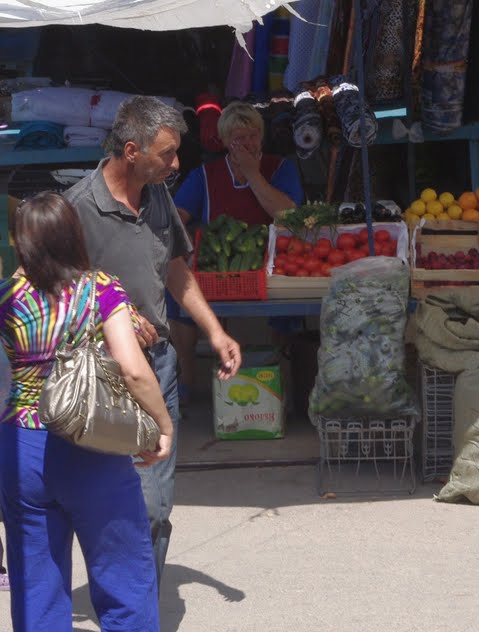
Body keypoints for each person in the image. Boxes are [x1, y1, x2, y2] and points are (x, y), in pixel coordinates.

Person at [64, 96, 242, 588]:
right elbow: (60, 297)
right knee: (106, 501)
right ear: (131, 151)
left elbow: (177, 270)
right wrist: (113, 319)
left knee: (153, 503)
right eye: (167, 154)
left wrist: (214, 330)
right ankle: (120, 599)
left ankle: (137, 606)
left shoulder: (159, 195)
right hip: (100, 376)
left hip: (158, 366)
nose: (176, 163)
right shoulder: (78, 209)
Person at [0, 193, 174, 631]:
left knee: (36, 584)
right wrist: (162, 424)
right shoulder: (100, 288)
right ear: (72, 235)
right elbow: (134, 371)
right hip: (90, 442)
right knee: (124, 578)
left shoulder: (6, 299)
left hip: (22, 447)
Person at [170, 101, 302, 399]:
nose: (245, 143)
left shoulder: (280, 167)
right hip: (219, 266)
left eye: (252, 135)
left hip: (271, 262)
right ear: (225, 141)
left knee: (291, 295)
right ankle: (188, 377)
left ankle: (279, 372)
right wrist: (185, 248)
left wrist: (254, 174)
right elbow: (177, 216)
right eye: (237, 137)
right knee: (176, 289)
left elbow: (289, 216)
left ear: (262, 137)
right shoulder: (205, 175)